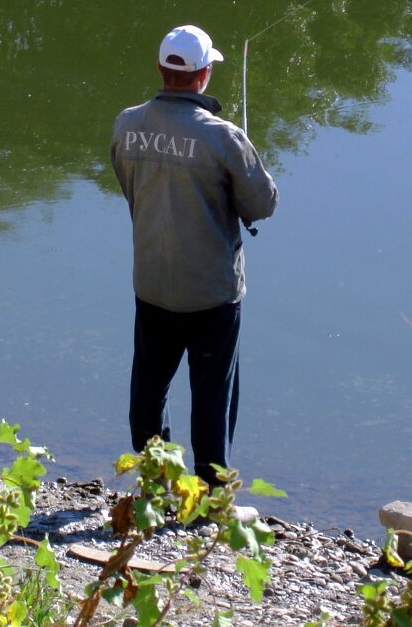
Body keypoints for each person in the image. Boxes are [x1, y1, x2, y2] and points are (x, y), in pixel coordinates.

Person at [111, 24, 278, 487]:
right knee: (212, 393)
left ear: (162, 70)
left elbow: (130, 189)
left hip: (152, 281)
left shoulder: (126, 124)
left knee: (149, 383)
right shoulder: (224, 138)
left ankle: (155, 474)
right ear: (203, 75)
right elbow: (262, 205)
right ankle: (210, 488)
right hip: (212, 293)